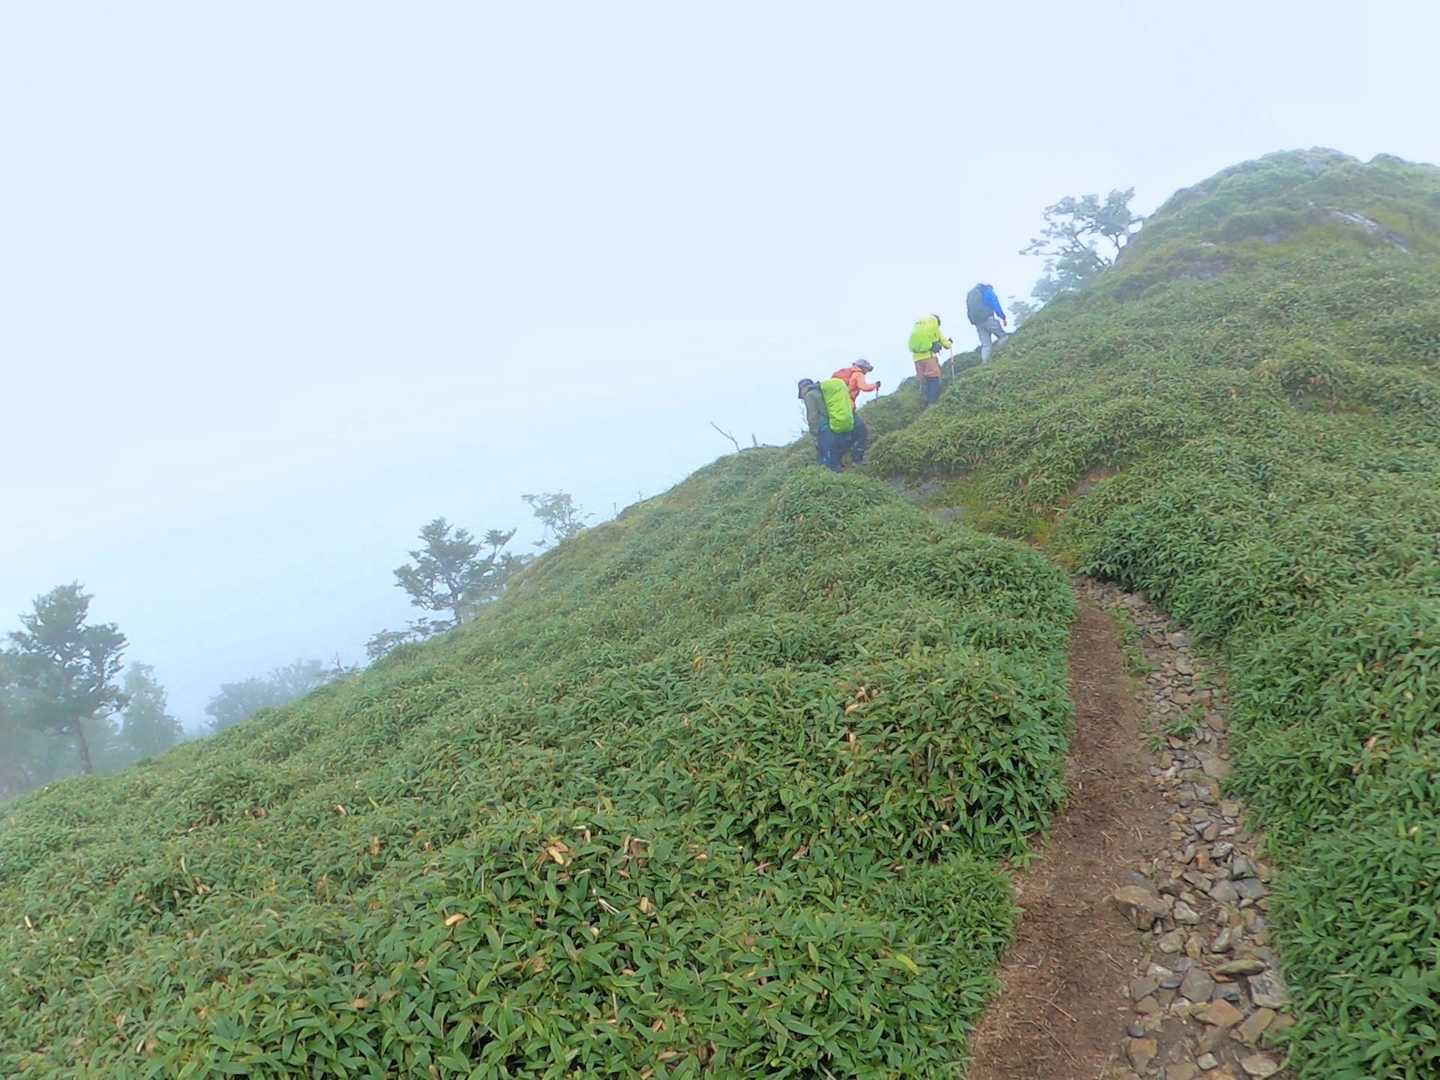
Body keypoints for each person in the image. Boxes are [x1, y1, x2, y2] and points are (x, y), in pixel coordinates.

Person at [798, 377, 863, 471]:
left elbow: (812, 415)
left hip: (824, 428)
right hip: (835, 424)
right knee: (836, 456)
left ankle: (833, 476)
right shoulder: (823, 391)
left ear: (802, 388)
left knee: (828, 461)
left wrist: (814, 432)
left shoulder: (809, 395)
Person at [908, 315, 952, 404]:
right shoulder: (934, 327)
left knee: (924, 381)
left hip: (917, 359)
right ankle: (932, 404)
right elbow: (946, 345)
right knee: (933, 379)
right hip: (929, 357)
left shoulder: (919, 325)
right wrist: (950, 343)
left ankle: (923, 402)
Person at [966, 283, 1008, 362]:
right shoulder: (987, 291)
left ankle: (985, 364)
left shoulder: (971, 295)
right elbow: (995, 303)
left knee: (986, 345)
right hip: (988, 318)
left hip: (977, 323)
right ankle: (999, 355)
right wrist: (1003, 317)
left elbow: (968, 311)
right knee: (1003, 336)